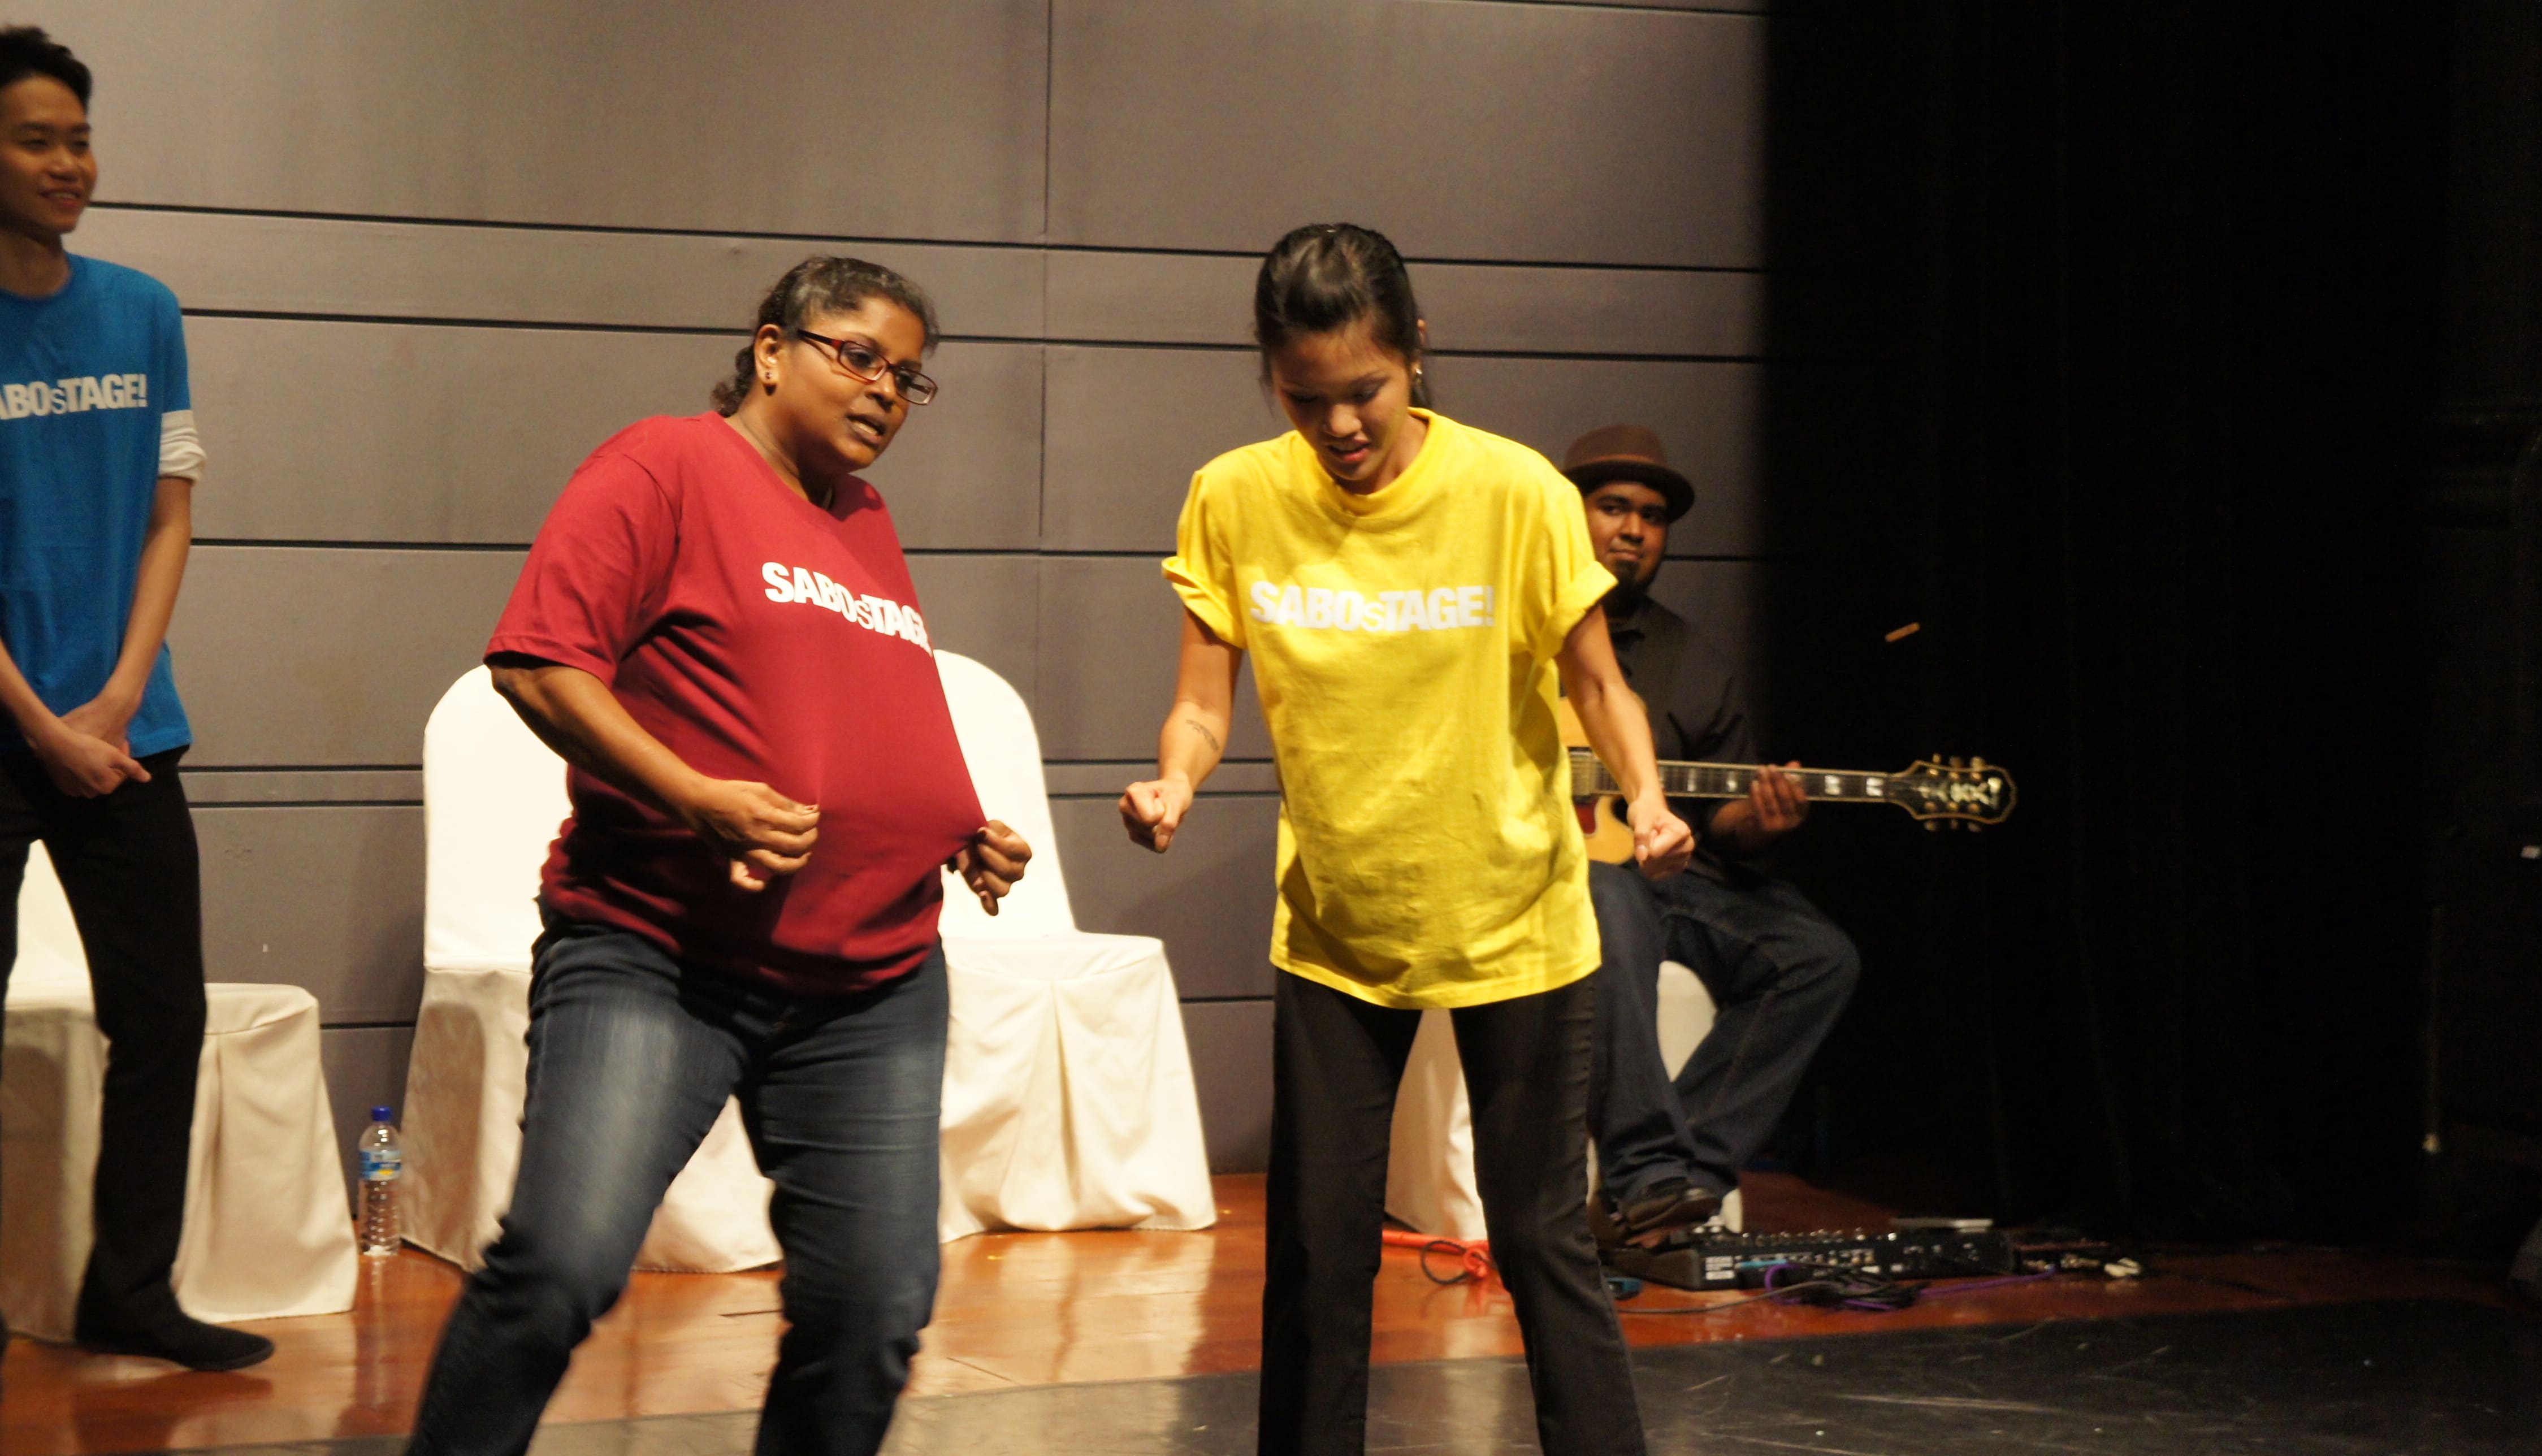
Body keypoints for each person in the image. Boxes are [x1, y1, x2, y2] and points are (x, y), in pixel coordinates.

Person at [405, 256, 1032, 1456]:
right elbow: (539, 663)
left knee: (871, 1310)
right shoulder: (666, 465)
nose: (885, 391)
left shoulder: (861, 517)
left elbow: (855, 708)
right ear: (770, 349)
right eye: (858, 356)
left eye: (908, 377)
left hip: (873, 981)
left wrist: (956, 828)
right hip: (660, 952)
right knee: (562, 1265)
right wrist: (697, 799)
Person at [1121, 224, 1693, 1456]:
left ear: (1415, 352)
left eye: (1363, 391)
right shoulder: (1234, 495)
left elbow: (1596, 686)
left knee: (1540, 1235)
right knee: (1320, 1246)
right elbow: (1200, 701)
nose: (1339, 425)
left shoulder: (1518, 492)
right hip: (1339, 924)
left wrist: (1644, 796)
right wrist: (1173, 779)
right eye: (1305, 397)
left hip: (1518, 919)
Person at [0, 26, 274, 1373]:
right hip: (10, 732)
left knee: (162, 1018)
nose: (69, 164)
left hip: (127, 734)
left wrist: (110, 702)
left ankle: (133, 1290)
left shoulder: (144, 309)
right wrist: (41, 725)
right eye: (36, 140)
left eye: (79, 138)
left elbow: (172, 515)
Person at [1561, 424, 1862, 1246]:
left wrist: (1756, 823)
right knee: (1609, 892)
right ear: (1567, 512)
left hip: (1668, 869)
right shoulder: (1515, 626)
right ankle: (1645, 1174)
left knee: (1817, 955)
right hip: (1553, 873)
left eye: (1652, 517)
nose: (1633, 529)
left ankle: (1680, 1176)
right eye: (1612, 507)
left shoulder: (1689, 656)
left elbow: (1723, 821)